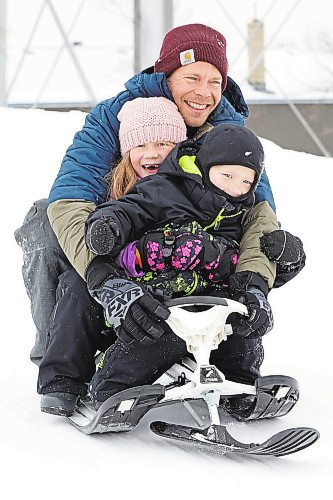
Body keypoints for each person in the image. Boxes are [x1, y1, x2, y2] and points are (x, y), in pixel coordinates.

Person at [15, 23, 285, 366]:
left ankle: (204, 347)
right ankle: (61, 350)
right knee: (44, 219)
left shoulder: (227, 132)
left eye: (214, 81)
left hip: (188, 250)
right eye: (192, 78)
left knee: (250, 240)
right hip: (115, 237)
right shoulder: (113, 117)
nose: (204, 92)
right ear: (167, 75)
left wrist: (254, 287)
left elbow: (259, 213)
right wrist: (103, 277)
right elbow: (70, 196)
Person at [37, 97, 285, 417]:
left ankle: (239, 382)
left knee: (234, 315)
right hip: (135, 286)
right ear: (126, 150)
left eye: (164, 142)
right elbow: (125, 212)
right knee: (79, 288)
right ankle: (70, 379)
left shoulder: (221, 196)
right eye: (143, 143)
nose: (153, 151)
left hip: (187, 290)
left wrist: (266, 276)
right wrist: (106, 233)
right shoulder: (144, 190)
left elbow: (250, 244)